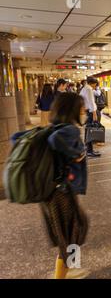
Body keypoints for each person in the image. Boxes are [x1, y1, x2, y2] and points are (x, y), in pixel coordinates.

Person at [12, 93, 89, 279]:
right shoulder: (69, 129)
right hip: (61, 192)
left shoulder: (51, 127)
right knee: (74, 230)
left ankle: (71, 268)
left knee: (71, 231)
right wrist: (76, 153)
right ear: (72, 110)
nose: (84, 111)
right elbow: (56, 141)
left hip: (51, 192)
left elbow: (16, 137)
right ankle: (67, 272)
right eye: (81, 108)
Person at [79, 77, 101, 158]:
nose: (96, 86)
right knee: (90, 131)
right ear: (93, 83)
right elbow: (91, 102)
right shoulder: (88, 89)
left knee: (88, 130)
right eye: (95, 84)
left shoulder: (85, 88)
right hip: (89, 112)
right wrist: (94, 113)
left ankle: (89, 150)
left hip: (86, 111)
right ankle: (89, 151)